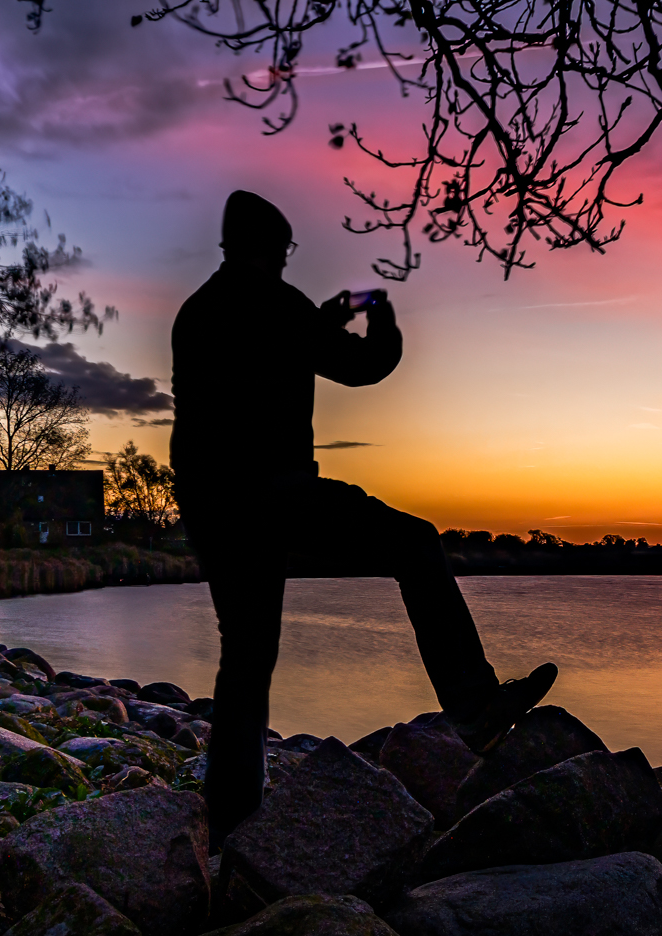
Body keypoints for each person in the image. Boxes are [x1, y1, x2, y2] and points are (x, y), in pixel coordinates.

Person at [171, 189, 557, 842]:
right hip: (277, 494)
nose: (287, 264)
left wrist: (318, 319)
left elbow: (279, 349)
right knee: (414, 544)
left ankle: (232, 819)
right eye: (287, 251)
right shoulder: (281, 307)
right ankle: (475, 707)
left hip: (213, 505)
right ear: (272, 248)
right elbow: (365, 365)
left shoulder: (197, 312)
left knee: (247, 653)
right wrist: (380, 316)